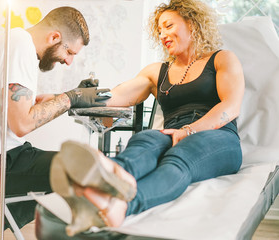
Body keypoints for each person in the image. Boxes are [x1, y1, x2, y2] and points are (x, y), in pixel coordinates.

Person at [50, 0, 245, 236]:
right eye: (159, 30)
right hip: (173, 132)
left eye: (169, 25)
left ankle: (123, 206)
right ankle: (105, 179)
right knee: (146, 140)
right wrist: (64, 97)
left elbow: (231, 106)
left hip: (218, 136)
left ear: (192, 24)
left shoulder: (221, 59)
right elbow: (116, 95)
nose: (162, 34)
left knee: (179, 157)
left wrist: (188, 131)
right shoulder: (157, 72)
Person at [0, 6, 110, 239]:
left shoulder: (12, 40)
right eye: (70, 52)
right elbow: (21, 124)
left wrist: (69, 96)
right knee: (80, 169)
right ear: (54, 37)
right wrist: (71, 98)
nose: (69, 62)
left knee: (68, 166)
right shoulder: (20, 44)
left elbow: (26, 105)